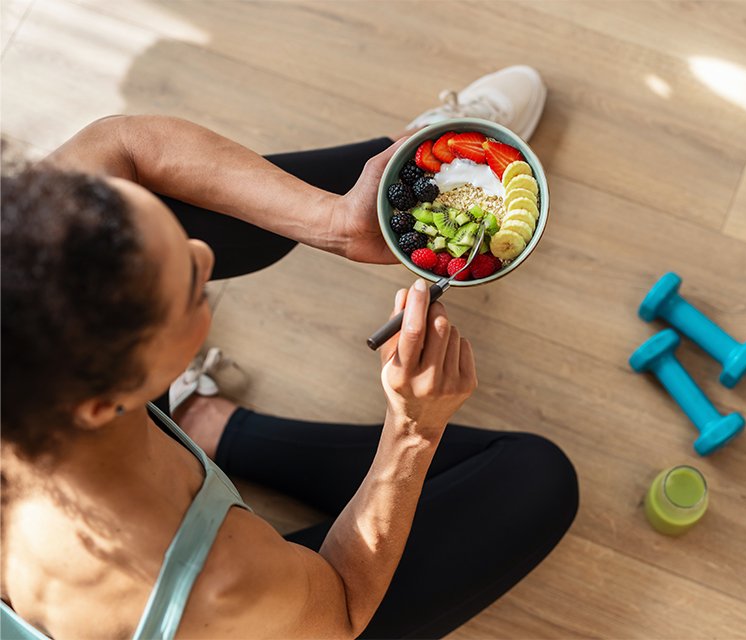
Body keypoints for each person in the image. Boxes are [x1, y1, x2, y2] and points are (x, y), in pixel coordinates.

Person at [0, 66, 578, 639]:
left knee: (154, 208)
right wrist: (413, 428)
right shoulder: (211, 581)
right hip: (272, 609)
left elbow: (119, 145)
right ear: (109, 400)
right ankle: (218, 429)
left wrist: (333, 223)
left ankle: (199, 419)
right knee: (537, 479)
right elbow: (342, 610)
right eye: (192, 290)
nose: (205, 256)